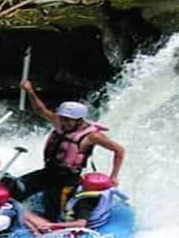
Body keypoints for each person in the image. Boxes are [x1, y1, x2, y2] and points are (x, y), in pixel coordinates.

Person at [17, 80, 126, 222]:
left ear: (79, 120)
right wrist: (30, 91)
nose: (64, 122)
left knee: (53, 215)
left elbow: (119, 150)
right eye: (63, 118)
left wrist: (113, 177)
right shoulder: (59, 122)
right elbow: (40, 110)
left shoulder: (92, 136)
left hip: (66, 181)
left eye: (69, 120)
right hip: (48, 172)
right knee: (16, 189)